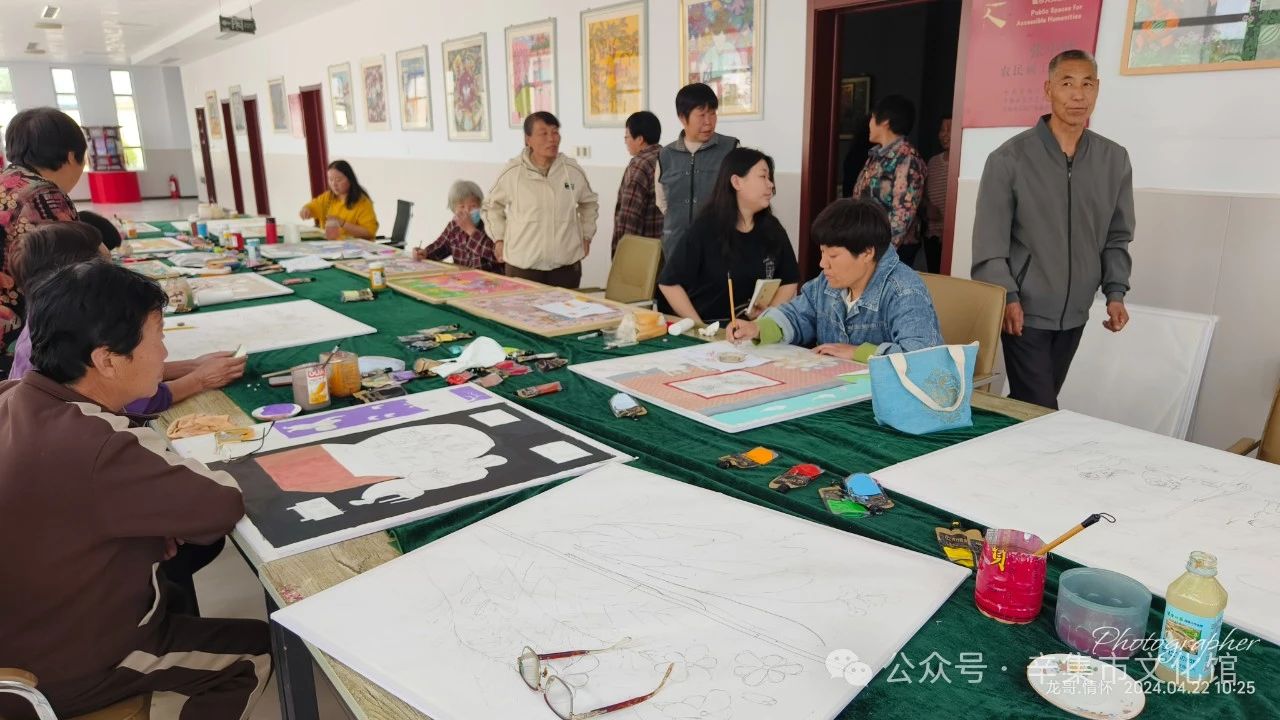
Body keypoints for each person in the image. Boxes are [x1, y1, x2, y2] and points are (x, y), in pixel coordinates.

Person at [0, 261, 270, 720]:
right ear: (107, 358)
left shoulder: (13, 396)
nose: (165, 352)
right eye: (158, 335)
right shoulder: (99, 445)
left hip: (23, 628)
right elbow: (221, 503)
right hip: (60, 665)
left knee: (174, 575)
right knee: (255, 652)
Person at [971, 49, 1134, 410]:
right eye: (1067, 83)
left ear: (1097, 89)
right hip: (1024, 311)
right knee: (1042, 408)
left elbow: (1117, 235)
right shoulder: (1008, 159)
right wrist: (1008, 297)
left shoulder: (1114, 159)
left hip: (1077, 311)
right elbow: (989, 245)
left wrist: (1115, 292)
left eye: (1087, 84)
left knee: (1034, 406)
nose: (1078, 95)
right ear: (1048, 89)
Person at [6, 222, 246, 415]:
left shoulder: (48, 320)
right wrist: (199, 379)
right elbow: (137, 401)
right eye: (108, 270)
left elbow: (115, 369)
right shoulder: (69, 334)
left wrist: (192, 365)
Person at [728, 198, 943, 361]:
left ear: (867, 253)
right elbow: (797, 315)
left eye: (833, 256)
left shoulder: (904, 291)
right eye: (822, 253)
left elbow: (922, 358)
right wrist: (757, 328)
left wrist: (858, 353)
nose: (823, 264)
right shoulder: (827, 283)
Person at [658, 147, 799, 325]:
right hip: (713, 329)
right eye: (763, 177)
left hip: (752, 333)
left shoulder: (772, 228)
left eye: (770, 178)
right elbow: (669, 283)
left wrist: (763, 322)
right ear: (736, 182)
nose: (770, 184)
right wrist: (700, 327)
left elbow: (790, 280)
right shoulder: (705, 228)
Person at [0, 107, 85, 347]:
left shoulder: (5, 182)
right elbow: (74, 277)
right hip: (21, 337)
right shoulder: (44, 194)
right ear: (71, 156)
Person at [484, 111, 599, 288]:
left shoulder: (572, 171)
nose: (551, 139)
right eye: (543, 133)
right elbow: (491, 206)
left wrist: (586, 236)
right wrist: (498, 239)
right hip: (523, 267)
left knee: (565, 315)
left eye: (554, 132)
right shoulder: (513, 172)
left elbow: (589, 204)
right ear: (527, 139)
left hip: (565, 267)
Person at [655, 83, 740, 259]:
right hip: (677, 245)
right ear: (682, 117)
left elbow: (742, 195)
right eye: (701, 115)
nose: (709, 121)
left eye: (713, 113)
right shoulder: (666, 155)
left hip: (719, 245)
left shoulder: (731, 148)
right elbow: (662, 201)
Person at [851, 95, 926, 268]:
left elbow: (901, 217)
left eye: (872, 117)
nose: (869, 123)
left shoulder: (906, 158)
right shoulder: (877, 156)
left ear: (885, 121)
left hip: (887, 252)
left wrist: (878, 256)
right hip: (867, 246)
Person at [415, 179, 502, 272]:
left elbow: (498, 255)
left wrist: (471, 230)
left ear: (481, 206)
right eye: (462, 207)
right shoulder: (453, 227)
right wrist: (424, 253)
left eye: (473, 206)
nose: (467, 211)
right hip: (462, 281)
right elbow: (440, 247)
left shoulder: (490, 225)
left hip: (490, 282)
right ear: (454, 210)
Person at [612, 110, 664, 255]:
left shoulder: (640, 165)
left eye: (627, 137)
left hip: (641, 254)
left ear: (640, 139)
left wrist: (620, 254)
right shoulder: (669, 158)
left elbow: (629, 216)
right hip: (666, 250)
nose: (625, 141)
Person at [299, 160, 378, 240]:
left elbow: (369, 232)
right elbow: (312, 207)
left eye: (338, 180)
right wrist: (306, 209)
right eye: (331, 180)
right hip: (331, 246)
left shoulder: (363, 202)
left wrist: (342, 223)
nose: (334, 184)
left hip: (356, 249)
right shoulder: (327, 197)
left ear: (350, 179)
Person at [922, 115, 952, 274]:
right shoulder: (933, 162)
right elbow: (923, 193)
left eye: (950, 129)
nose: (944, 134)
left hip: (951, 237)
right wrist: (928, 206)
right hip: (932, 235)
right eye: (942, 129)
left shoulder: (962, 162)